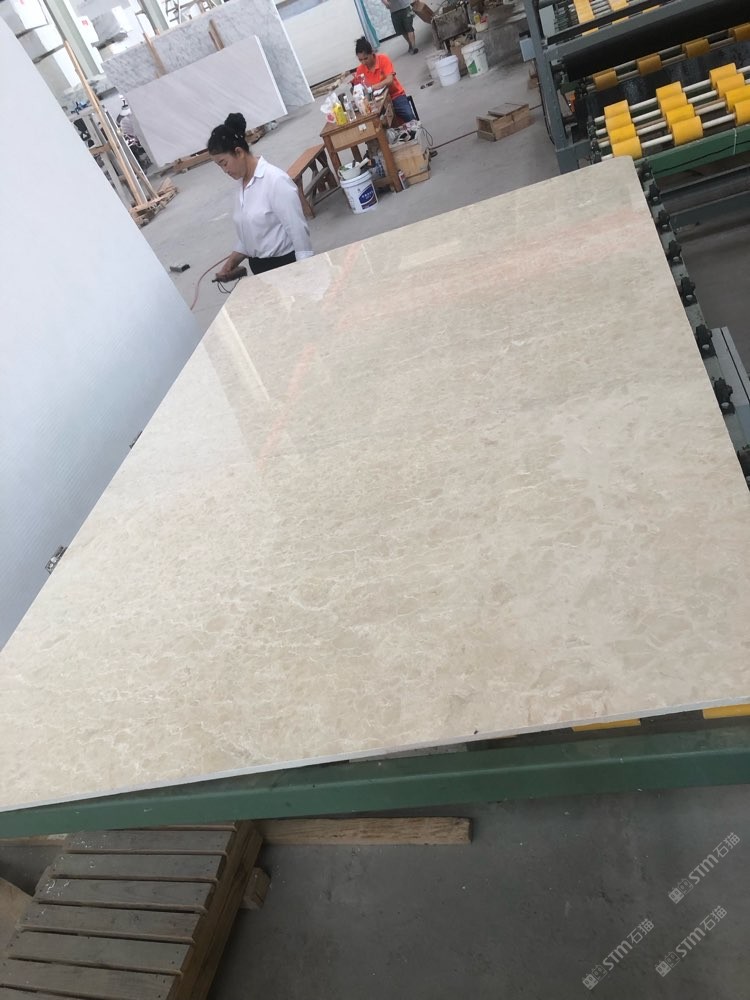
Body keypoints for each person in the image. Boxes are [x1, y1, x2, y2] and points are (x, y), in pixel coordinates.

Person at [208, 112, 313, 278]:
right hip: (260, 268)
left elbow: (298, 232)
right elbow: (252, 233)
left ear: (239, 152)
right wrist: (232, 262)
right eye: (220, 166)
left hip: (285, 265)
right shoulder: (241, 185)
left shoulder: (275, 181)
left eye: (224, 163)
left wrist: (305, 271)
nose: (225, 171)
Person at [353, 38, 414, 125]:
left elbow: (390, 80)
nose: (363, 62)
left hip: (395, 95)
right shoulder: (360, 70)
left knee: (409, 116)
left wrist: (372, 87)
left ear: (372, 52)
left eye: (366, 58)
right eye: (360, 60)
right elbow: (361, 90)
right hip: (376, 102)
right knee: (376, 124)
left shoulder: (383, 59)